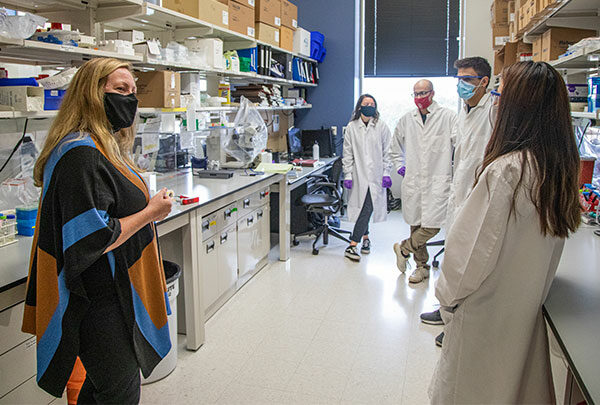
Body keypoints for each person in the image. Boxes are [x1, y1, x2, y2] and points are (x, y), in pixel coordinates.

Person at [21, 58, 173, 403]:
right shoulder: (81, 153)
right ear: (91, 93)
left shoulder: (101, 146)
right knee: (119, 393)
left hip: (111, 293)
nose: (130, 99)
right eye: (120, 89)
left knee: (100, 388)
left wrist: (147, 212)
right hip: (99, 301)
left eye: (133, 91)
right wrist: (150, 212)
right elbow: (92, 237)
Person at [429, 61, 581, 403]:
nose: (495, 99)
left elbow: (468, 258)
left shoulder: (507, 171)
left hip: (485, 316)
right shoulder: (556, 169)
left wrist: (446, 302)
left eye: (500, 92)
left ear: (519, 107)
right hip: (521, 316)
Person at [420, 57, 495, 345]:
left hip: (477, 199)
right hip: (458, 196)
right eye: (459, 79)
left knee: (468, 265)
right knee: (453, 258)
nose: (461, 84)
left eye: (467, 79)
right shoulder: (464, 110)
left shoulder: (492, 111)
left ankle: (457, 326)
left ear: (483, 81)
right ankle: (445, 309)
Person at [391, 80, 456, 283]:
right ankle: (421, 267)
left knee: (434, 224)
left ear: (432, 93)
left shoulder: (448, 117)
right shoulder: (406, 119)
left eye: (423, 93)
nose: (419, 98)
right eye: (416, 94)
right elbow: (394, 146)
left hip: (439, 179)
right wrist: (400, 165)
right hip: (414, 179)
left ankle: (403, 248)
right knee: (416, 223)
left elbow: (459, 145)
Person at [342, 94, 392, 261]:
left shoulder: (382, 126)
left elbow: (387, 152)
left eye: (372, 103)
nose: (369, 106)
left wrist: (386, 173)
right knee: (364, 208)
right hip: (358, 175)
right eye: (366, 103)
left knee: (367, 208)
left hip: (376, 176)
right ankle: (364, 239)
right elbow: (347, 153)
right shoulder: (351, 127)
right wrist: (347, 174)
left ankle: (352, 245)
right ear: (359, 107)